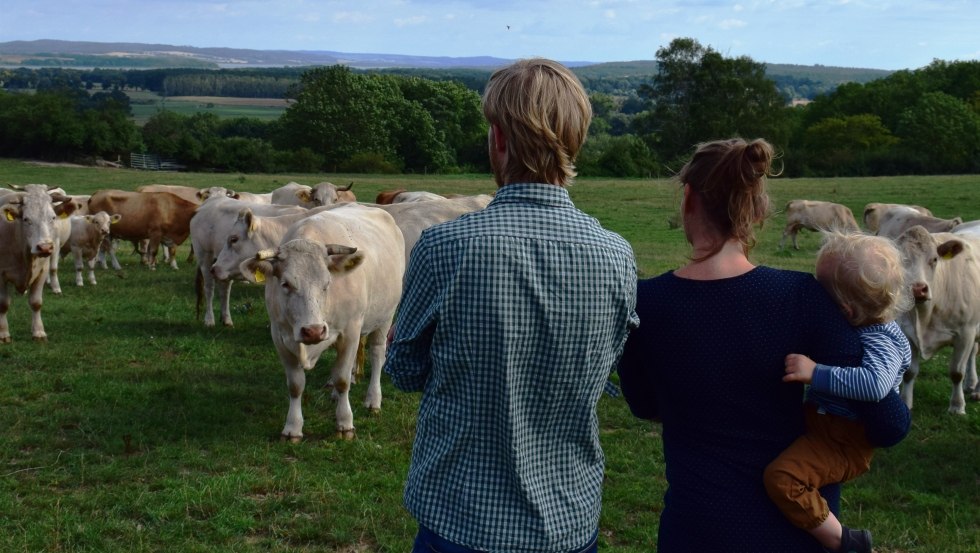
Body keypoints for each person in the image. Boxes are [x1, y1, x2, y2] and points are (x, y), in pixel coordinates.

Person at [384, 58, 638, 553]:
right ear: (576, 139)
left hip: (461, 515)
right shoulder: (617, 254)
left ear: (498, 139)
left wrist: (405, 344)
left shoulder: (444, 247)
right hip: (569, 516)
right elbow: (607, 363)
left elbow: (406, 373)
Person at [617, 137, 907, 552]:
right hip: (791, 534)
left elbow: (645, 405)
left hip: (694, 527)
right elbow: (890, 424)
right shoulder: (804, 296)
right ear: (757, 210)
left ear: (688, 200)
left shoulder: (646, 302)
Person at [766, 230, 913, 553]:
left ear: (846, 311)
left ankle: (843, 540)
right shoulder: (862, 326)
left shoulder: (881, 339)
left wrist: (815, 373)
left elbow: (875, 386)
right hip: (826, 426)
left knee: (784, 479)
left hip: (844, 441)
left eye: (822, 293)